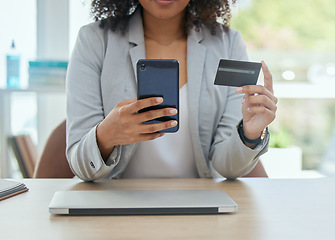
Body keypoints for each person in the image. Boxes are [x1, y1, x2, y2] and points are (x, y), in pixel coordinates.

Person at [66, 0, 277, 181]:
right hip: (115, 208)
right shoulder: (94, 40)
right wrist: (105, 136)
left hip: (198, 208)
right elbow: (82, 167)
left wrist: (249, 134)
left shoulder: (228, 43)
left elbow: (227, 168)